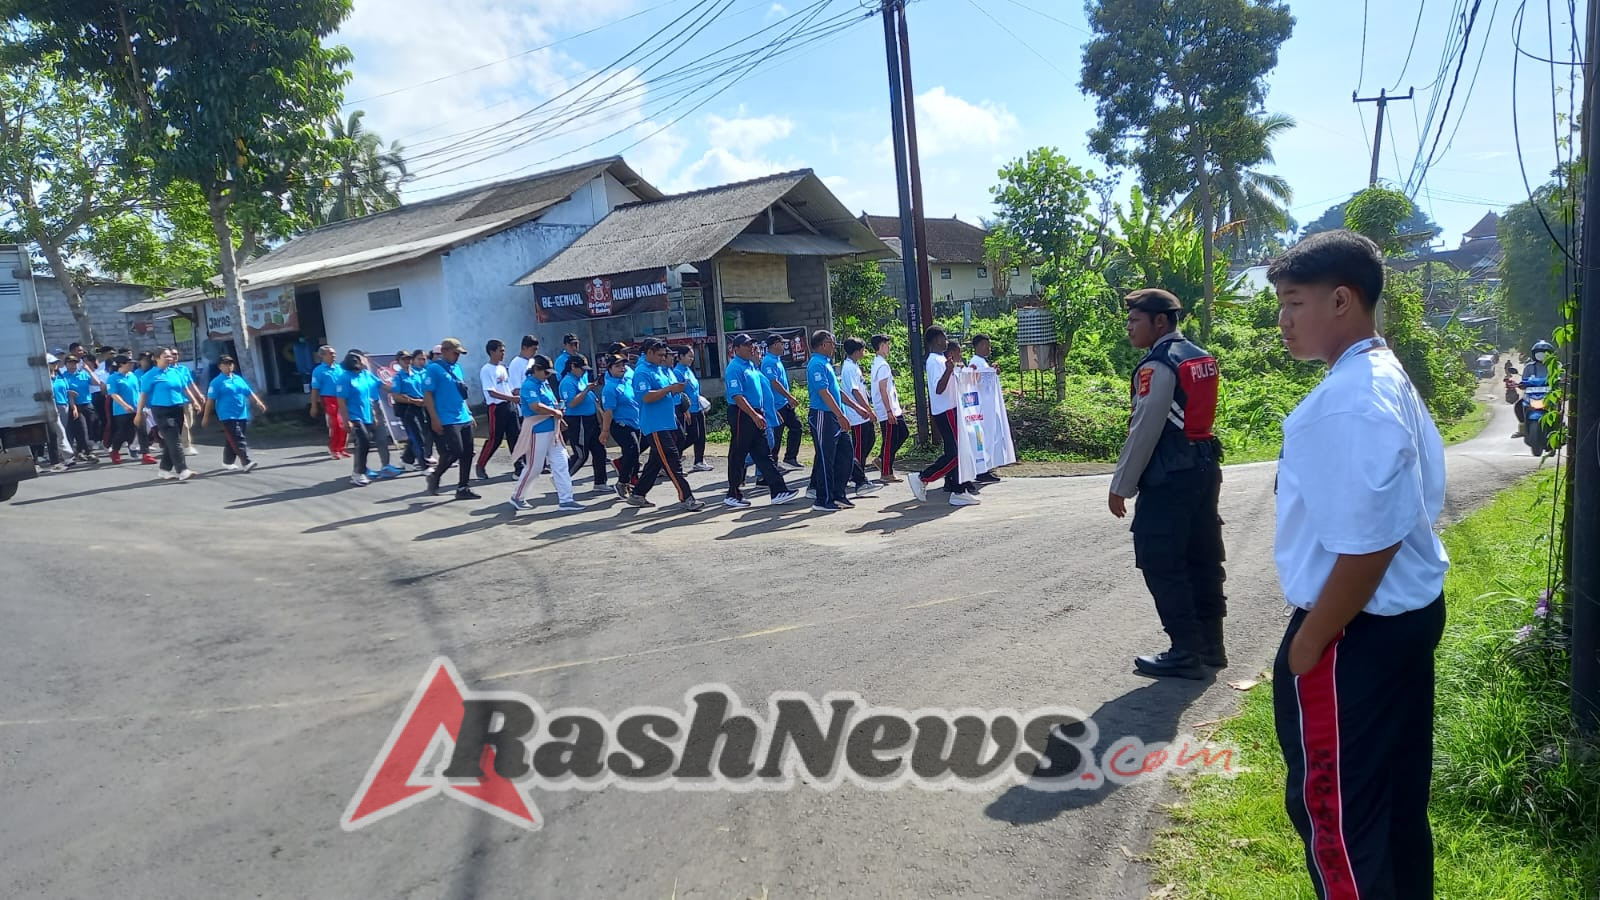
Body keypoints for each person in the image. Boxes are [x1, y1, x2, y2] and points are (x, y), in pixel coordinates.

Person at [1267, 230, 1449, 900]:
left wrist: (1310, 643)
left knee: (1341, 820)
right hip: (1400, 620)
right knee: (1393, 806)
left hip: (1352, 633)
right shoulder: (1383, 372)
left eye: (1293, 302)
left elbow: (1369, 542)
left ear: (1342, 299)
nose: (1282, 320)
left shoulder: (1344, 400)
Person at [1108, 288, 1227, 680]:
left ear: (1160, 322)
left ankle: (1185, 650)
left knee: (1160, 558)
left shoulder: (1158, 366)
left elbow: (1145, 428)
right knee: (1202, 557)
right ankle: (1211, 645)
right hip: (1205, 468)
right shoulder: (1199, 356)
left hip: (1171, 475)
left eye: (1134, 320)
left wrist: (1121, 485)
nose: (1128, 327)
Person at [628, 339, 703, 511]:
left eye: (665, 355)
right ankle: (687, 497)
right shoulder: (642, 372)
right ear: (649, 353)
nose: (664, 358)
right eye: (660, 355)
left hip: (668, 422)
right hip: (655, 425)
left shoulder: (660, 370)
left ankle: (638, 494)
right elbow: (645, 397)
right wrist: (669, 389)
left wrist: (676, 392)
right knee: (671, 461)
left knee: (656, 461)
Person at [907, 326, 978, 506]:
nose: (946, 341)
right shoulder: (934, 361)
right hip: (945, 411)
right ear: (936, 340)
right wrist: (948, 370)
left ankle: (958, 490)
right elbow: (938, 389)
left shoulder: (941, 359)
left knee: (955, 451)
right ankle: (923, 477)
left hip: (951, 409)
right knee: (956, 453)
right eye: (944, 338)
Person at [724, 334, 796, 508]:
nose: (751, 348)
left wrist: (765, 412)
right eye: (747, 345)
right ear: (736, 348)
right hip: (743, 413)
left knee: (763, 454)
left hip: (756, 412)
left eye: (752, 345)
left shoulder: (750, 365)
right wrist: (753, 415)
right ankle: (733, 493)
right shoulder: (734, 368)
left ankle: (778, 490)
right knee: (738, 454)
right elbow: (737, 396)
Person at [508, 354, 583, 512]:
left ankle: (566, 499)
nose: (548, 375)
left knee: (561, 463)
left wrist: (559, 418)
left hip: (552, 429)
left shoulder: (544, 383)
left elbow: (552, 404)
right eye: (545, 372)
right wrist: (555, 413)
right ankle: (517, 496)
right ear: (536, 369)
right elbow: (535, 406)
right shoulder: (529, 385)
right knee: (534, 467)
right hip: (538, 430)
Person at [805, 330, 858, 512]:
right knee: (826, 458)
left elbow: (836, 391)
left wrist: (854, 409)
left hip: (835, 415)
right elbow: (824, 393)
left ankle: (838, 493)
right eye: (831, 343)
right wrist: (840, 415)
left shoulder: (826, 363)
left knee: (846, 454)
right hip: (823, 415)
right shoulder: (816, 364)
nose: (834, 347)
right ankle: (823, 499)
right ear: (822, 344)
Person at [424, 338, 480, 500]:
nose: (458, 356)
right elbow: (427, 395)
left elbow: (461, 394)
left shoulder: (458, 368)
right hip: (447, 418)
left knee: (468, 453)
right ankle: (435, 475)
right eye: (455, 353)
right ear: (445, 351)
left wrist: (469, 414)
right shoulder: (433, 369)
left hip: (462, 416)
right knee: (456, 451)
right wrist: (434, 418)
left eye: (459, 354)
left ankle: (463, 487)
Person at [339, 350, 404, 486]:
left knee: (374, 441)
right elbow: (341, 401)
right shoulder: (344, 378)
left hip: (368, 413)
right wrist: (346, 420)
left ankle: (369, 469)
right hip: (354, 416)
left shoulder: (365, 375)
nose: (362, 365)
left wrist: (403, 387)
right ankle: (358, 473)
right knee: (363, 442)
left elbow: (382, 388)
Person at [135, 348, 196, 481]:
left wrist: (194, 401)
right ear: (156, 358)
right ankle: (182, 469)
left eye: (170, 356)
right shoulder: (150, 375)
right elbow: (143, 395)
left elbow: (184, 387)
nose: (169, 358)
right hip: (162, 410)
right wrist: (139, 413)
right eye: (165, 356)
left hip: (177, 408)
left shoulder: (175, 372)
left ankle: (164, 469)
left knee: (171, 441)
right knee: (175, 440)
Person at [202, 355, 267, 472]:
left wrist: (258, 402)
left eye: (231, 363)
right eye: (226, 363)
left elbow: (248, 392)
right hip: (227, 415)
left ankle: (227, 461)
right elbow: (210, 400)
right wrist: (206, 417)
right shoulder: (216, 382)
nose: (229, 366)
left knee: (232, 438)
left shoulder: (238, 379)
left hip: (241, 413)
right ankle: (246, 462)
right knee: (238, 438)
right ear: (220, 366)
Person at [968, 333, 1016, 484]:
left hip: (989, 405)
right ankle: (982, 470)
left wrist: (993, 371)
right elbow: (975, 381)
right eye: (987, 345)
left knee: (991, 437)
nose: (989, 348)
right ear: (980, 346)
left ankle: (987, 467)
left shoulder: (982, 362)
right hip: (983, 407)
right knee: (985, 438)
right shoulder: (975, 362)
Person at [838, 338, 880, 494]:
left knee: (869, 441)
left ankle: (856, 474)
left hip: (861, 413)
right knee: (859, 447)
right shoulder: (849, 368)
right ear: (856, 351)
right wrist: (867, 409)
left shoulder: (854, 366)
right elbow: (855, 391)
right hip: (856, 415)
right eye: (862, 350)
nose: (864, 352)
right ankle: (858, 478)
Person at [474, 339, 520, 480]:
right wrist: (510, 398)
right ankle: (480, 465)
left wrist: (515, 397)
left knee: (515, 436)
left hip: (509, 406)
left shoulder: (502, 368)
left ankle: (519, 466)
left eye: (503, 351)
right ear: (492, 352)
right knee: (496, 439)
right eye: (500, 351)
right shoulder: (486, 370)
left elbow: (509, 387)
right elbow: (491, 392)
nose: (503, 354)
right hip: (496, 407)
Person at [560, 355, 608, 490]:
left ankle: (600, 482)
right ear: (573, 367)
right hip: (578, 420)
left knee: (599, 451)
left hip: (590, 419)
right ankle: (562, 478)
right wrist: (586, 390)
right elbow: (572, 403)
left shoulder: (581, 378)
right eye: (581, 368)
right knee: (581, 454)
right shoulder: (567, 382)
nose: (584, 371)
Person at [600, 354, 643, 500]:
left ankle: (630, 480)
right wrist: (605, 431)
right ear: (610, 368)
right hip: (620, 425)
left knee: (635, 454)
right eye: (617, 366)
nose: (622, 368)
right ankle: (622, 482)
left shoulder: (627, 381)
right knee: (632, 450)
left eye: (623, 365)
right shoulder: (610, 388)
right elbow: (608, 411)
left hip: (635, 422)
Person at [761, 335, 804, 469]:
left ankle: (790, 457)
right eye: (781, 343)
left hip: (784, 403)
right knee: (776, 435)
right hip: (775, 405)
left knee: (796, 427)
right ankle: (773, 463)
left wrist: (787, 398)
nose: (784, 346)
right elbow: (774, 382)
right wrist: (790, 396)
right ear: (774, 345)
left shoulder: (777, 360)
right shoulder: (768, 361)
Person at [869, 334, 907, 483]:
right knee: (890, 439)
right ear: (881, 346)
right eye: (887, 344)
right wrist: (889, 411)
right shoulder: (882, 365)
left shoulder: (879, 363)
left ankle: (882, 459)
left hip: (892, 408)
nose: (889, 347)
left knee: (903, 432)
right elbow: (883, 389)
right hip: (887, 409)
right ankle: (886, 472)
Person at [389, 349, 434, 471]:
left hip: (420, 406)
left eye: (408, 359)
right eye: (404, 359)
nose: (407, 361)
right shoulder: (398, 377)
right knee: (418, 437)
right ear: (398, 361)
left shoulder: (416, 373)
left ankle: (406, 460)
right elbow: (396, 396)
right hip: (407, 408)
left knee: (419, 434)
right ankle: (424, 466)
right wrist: (413, 401)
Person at [671, 346, 712, 472]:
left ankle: (699, 461)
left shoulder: (688, 370)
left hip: (697, 407)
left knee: (701, 436)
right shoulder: (678, 372)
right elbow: (679, 393)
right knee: (692, 436)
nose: (691, 359)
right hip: (688, 410)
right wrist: (685, 410)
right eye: (689, 356)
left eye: (692, 356)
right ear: (681, 356)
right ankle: (674, 456)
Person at [308, 345, 349, 460]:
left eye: (334, 353)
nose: (333, 355)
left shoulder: (340, 368)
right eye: (330, 353)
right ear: (322, 356)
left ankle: (341, 448)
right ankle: (334, 448)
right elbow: (315, 389)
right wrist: (314, 406)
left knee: (345, 423)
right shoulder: (318, 371)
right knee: (336, 424)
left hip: (342, 399)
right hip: (329, 399)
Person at [58, 354, 97, 463]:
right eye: (70, 362)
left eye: (75, 362)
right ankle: (89, 451)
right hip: (74, 405)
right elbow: (65, 392)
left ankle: (80, 450)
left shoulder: (83, 374)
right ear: (65, 364)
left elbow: (97, 383)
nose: (73, 365)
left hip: (87, 404)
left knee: (89, 428)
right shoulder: (63, 376)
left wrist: (89, 370)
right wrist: (73, 406)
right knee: (82, 428)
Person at [104, 355, 142, 464]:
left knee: (134, 430)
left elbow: (138, 392)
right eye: (128, 363)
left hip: (135, 408)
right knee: (122, 432)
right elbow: (113, 394)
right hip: (121, 410)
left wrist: (141, 405)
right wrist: (124, 405)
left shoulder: (133, 376)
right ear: (121, 364)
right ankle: (115, 450)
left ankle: (133, 448)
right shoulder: (113, 378)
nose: (131, 365)